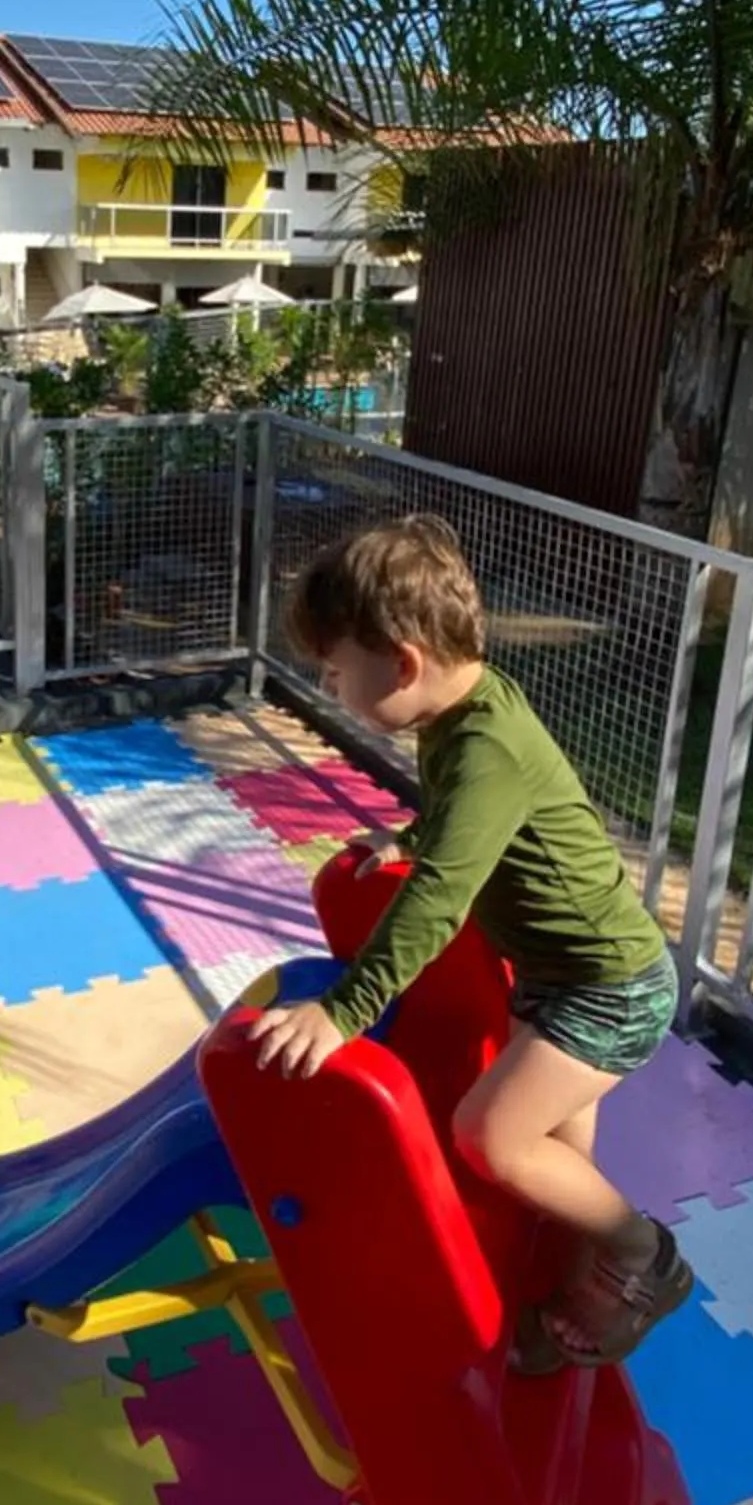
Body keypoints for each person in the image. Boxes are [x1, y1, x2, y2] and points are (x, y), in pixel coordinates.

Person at [246, 511, 691, 1368]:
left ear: (404, 663)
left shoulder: (484, 743)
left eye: (336, 673)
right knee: (555, 1157)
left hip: (610, 987)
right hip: (560, 976)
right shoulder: (462, 716)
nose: (331, 688)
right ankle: (566, 1277)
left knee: (490, 1136)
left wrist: (345, 1011)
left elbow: (442, 898)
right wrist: (412, 838)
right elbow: (470, 828)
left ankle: (642, 1258)